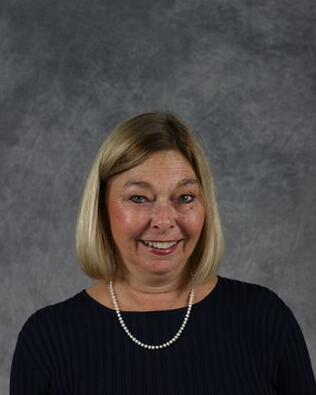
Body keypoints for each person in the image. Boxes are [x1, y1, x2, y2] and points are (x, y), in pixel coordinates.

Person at [10, 112, 316, 394]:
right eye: (139, 198)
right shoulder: (48, 339)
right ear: (102, 210)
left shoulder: (264, 319)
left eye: (185, 197)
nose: (165, 221)